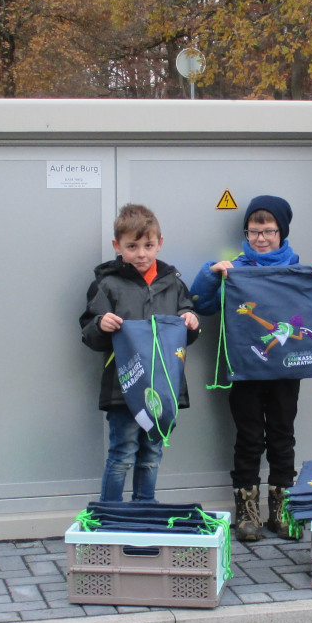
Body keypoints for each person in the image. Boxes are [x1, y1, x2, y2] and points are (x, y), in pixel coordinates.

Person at [191, 195, 312, 541]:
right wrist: (211, 273)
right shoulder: (236, 272)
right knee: (248, 437)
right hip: (245, 371)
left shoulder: (300, 272)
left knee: (282, 435)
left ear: (282, 232)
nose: (260, 238)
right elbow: (200, 304)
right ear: (245, 234)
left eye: (268, 231)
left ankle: (281, 509)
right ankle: (247, 511)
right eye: (253, 231)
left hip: (284, 373)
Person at [81, 204, 201, 502]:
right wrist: (101, 324)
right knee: (122, 453)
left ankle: (144, 512)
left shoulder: (173, 284)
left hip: (163, 388)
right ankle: (109, 516)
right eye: (132, 247)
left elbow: (186, 331)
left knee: (152, 452)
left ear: (160, 242)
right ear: (117, 246)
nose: (141, 254)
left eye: (148, 245)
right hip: (123, 388)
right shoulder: (107, 284)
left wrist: (192, 324)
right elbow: (89, 333)